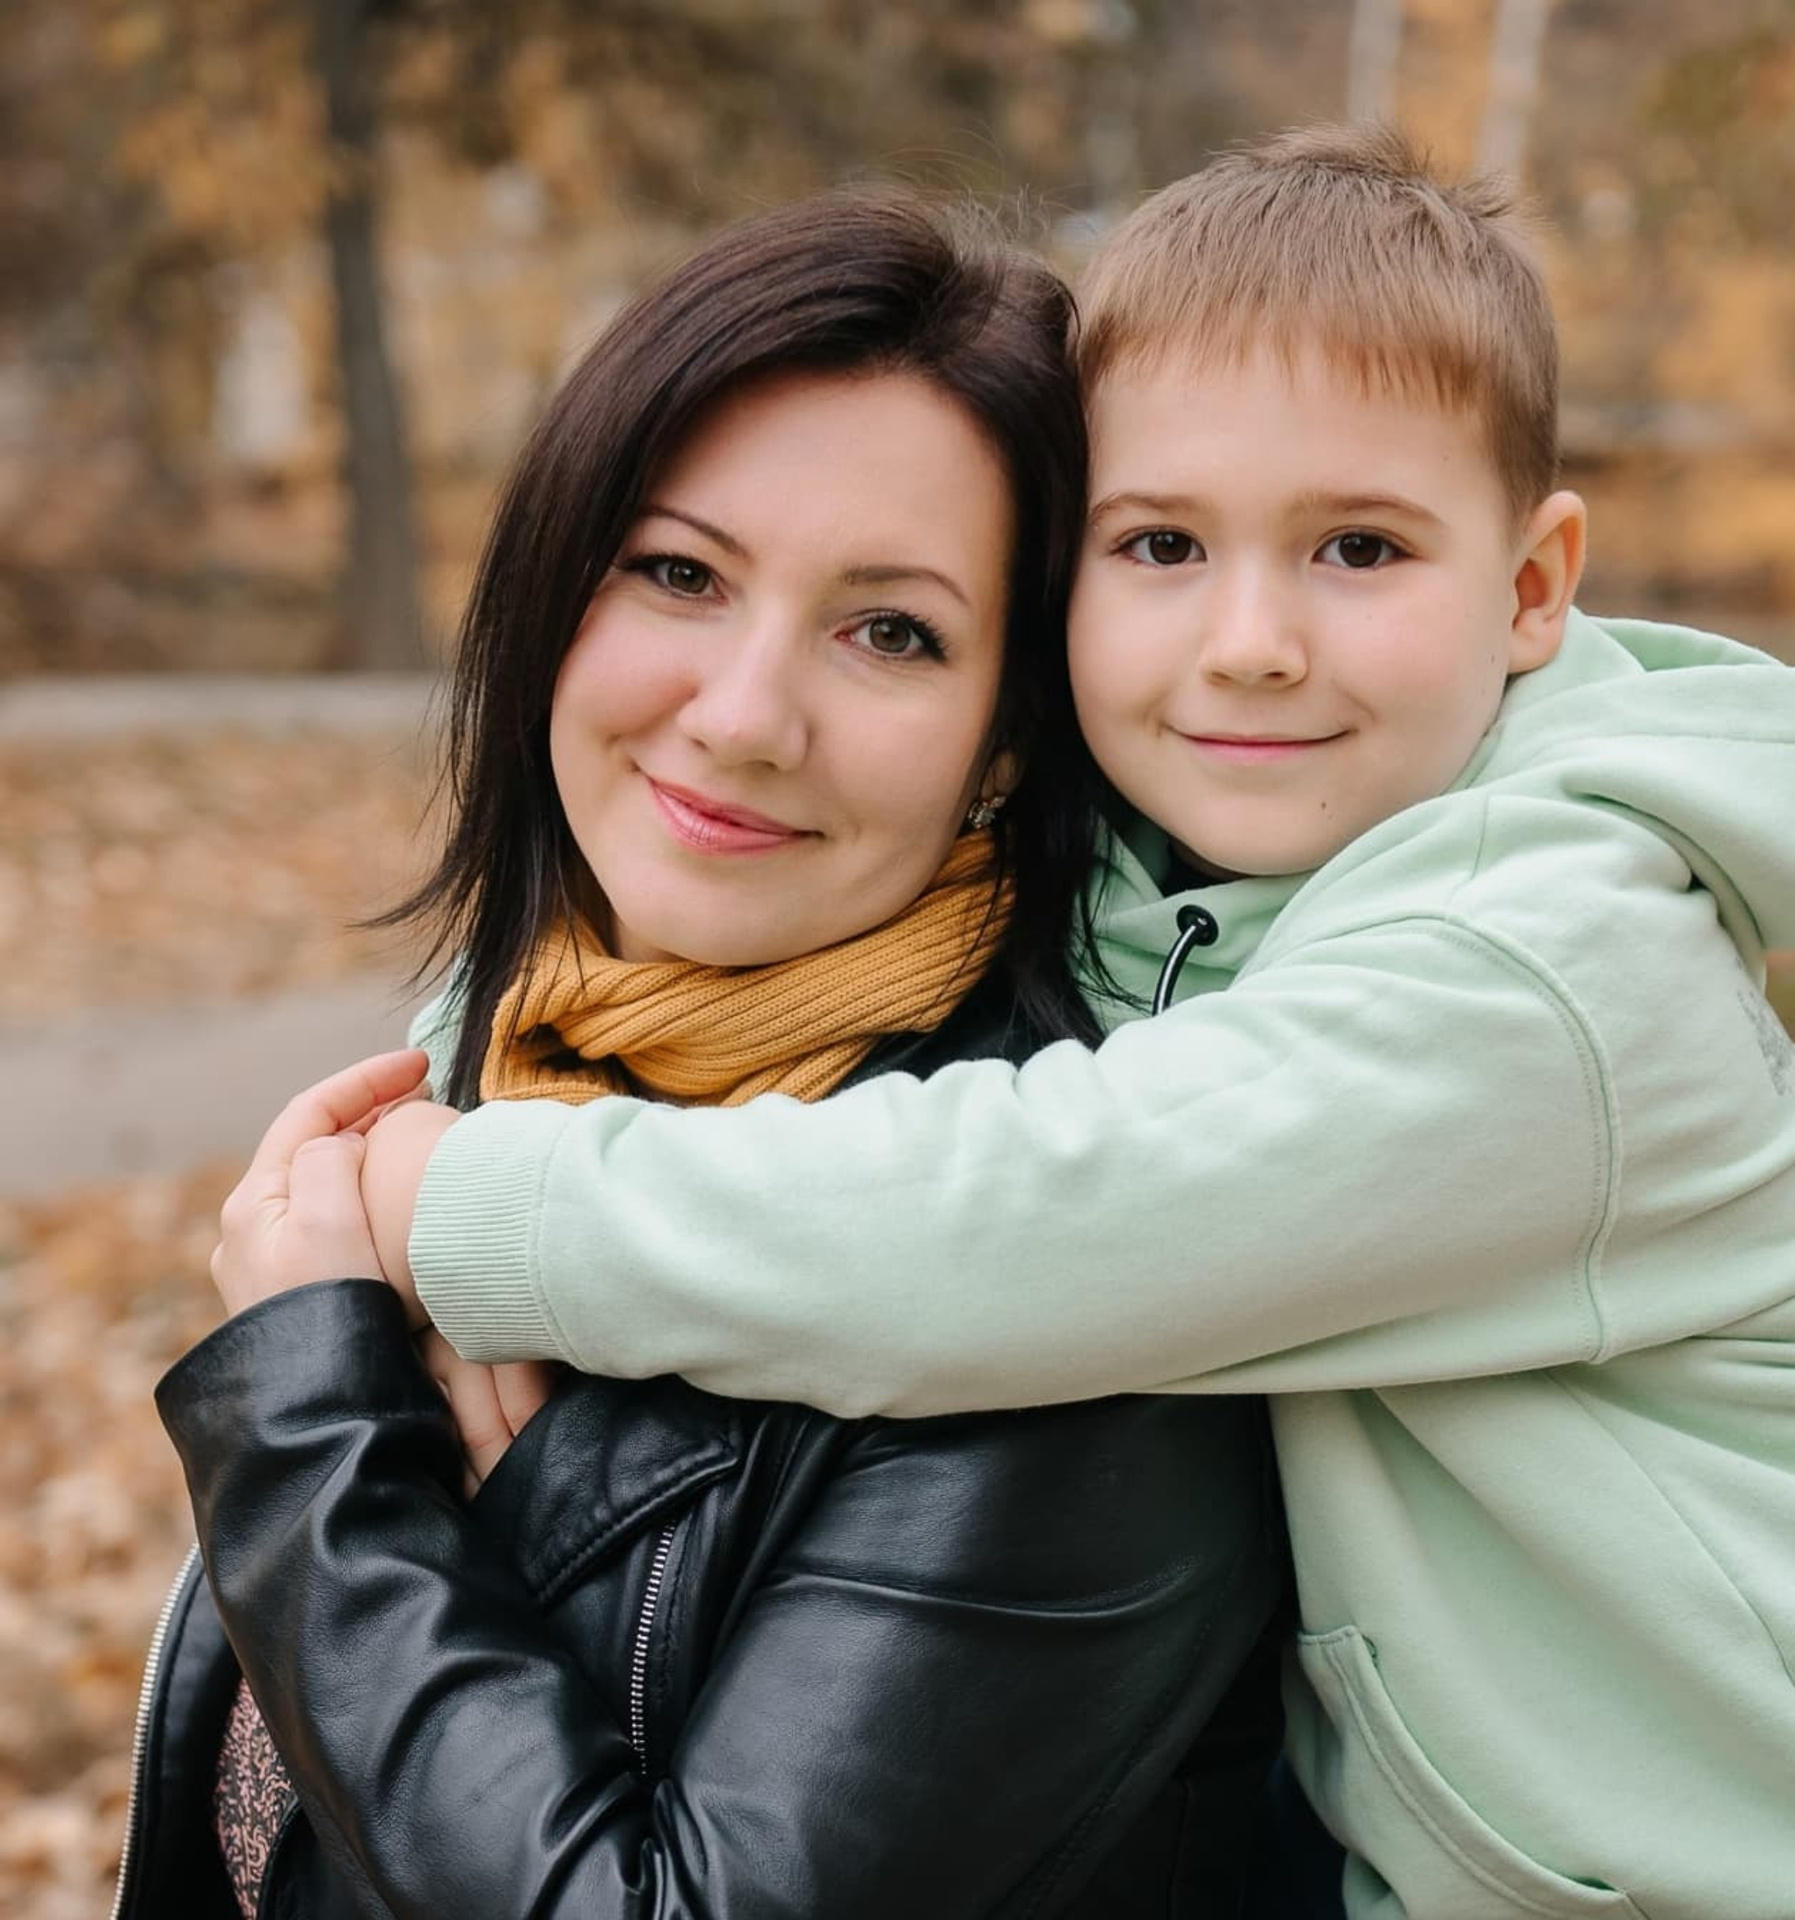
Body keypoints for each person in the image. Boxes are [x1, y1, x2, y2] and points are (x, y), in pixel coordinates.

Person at [341, 127, 1795, 1917]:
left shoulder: (1542, 975)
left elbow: (1021, 1220)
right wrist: (453, 1064)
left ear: (1534, 587)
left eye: (1359, 547)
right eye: (1161, 543)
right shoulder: (1207, 874)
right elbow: (694, 959)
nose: (1248, 641)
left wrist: (461, 1205)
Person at [115, 194, 1288, 1920]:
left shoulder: (1065, 1306)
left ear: (1007, 742)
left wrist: (308, 1426)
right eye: (680, 572)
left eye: (892, 631)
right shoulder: (501, 1086)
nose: (742, 715)